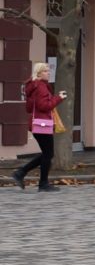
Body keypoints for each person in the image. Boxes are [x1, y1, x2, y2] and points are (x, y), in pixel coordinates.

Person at [12, 63, 64, 191]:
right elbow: (44, 106)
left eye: (48, 70)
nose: (48, 73)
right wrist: (59, 98)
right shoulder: (41, 87)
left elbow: (29, 108)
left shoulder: (33, 86)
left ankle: (21, 173)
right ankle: (43, 184)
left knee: (47, 154)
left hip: (37, 124)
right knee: (48, 154)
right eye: (46, 71)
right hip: (43, 123)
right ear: (39, 73)